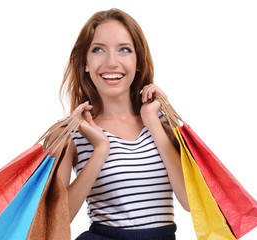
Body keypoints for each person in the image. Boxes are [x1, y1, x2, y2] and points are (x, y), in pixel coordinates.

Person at [58, 8, 190, 240]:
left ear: (138, 62)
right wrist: (100, 150)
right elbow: (57, 218)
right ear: (85, 63)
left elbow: (190, 202)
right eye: (98, 50)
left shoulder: (162, 121)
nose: (111, 62)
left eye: (124, 50)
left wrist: (153, 122)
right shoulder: (72, 132)